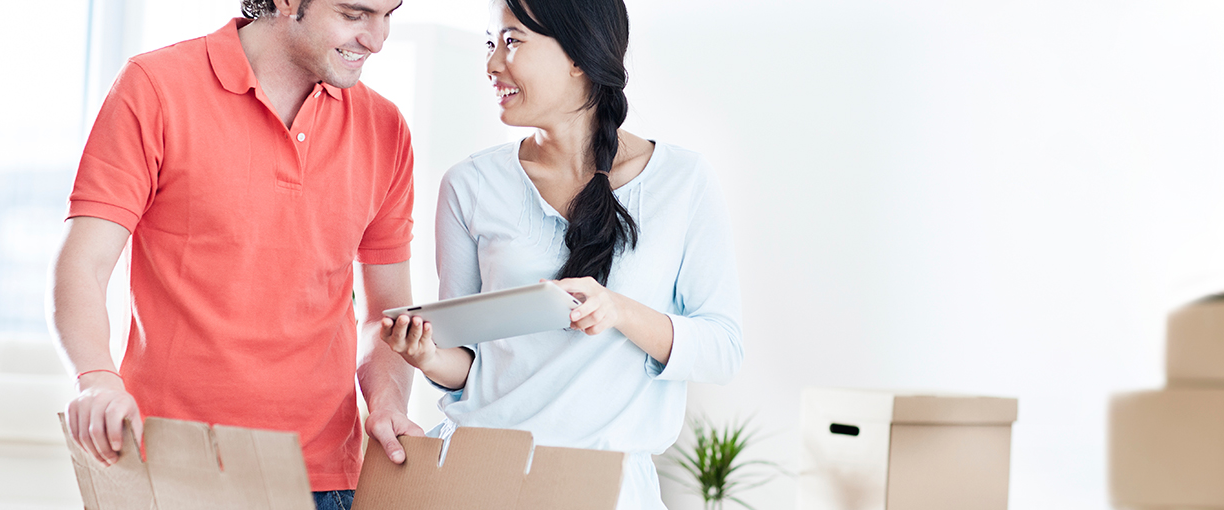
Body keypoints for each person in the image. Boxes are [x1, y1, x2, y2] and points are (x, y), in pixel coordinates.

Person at [49, 1, 422, 507]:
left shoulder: (386, 130)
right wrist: (95, 379)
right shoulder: (155, 86)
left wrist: (386, 399)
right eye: (355, 15)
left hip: (322, 481)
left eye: (388, 16)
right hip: (171, 468)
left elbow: (386, 314)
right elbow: (85, 264)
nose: (376, 41)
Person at [380, 0, 744, 507]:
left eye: (511, 42)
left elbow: (722, 348)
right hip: (483, 474)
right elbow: (472, 363)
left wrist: (618, 311)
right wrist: (427, 356)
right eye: (489, 44)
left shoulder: (682, 181)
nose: (491, 64)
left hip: (609, 488)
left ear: (579, 54)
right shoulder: (469, 185)